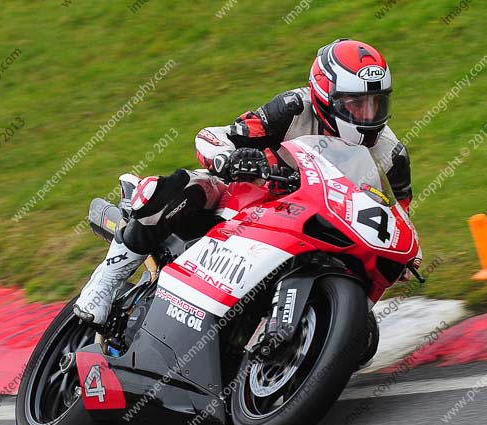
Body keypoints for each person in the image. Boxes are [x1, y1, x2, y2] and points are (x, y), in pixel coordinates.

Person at [74, 38, 414, 325]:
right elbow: (216, 136)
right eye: (357, 104)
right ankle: (107, 280)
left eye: (376, 103)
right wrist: (229, 158)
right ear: (326, 95)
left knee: (362, 337)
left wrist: (404, 255)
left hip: (314, 221)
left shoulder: (391, 152)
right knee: (189, 190)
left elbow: (399, 210)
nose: (368, 116)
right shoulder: (293, 108)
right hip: (249, 198)